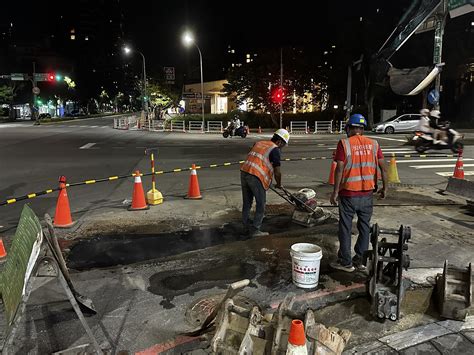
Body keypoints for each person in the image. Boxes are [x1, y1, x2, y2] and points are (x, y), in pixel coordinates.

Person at [330, 114, 388, 272]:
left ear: (348, 128)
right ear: (361, 129)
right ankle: (360, 261)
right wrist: (385, 187)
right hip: (367, 194)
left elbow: (340, 168)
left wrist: (335, 192)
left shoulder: (344, 143)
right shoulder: (374, 144)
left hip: (348, 194)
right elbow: (383, 167)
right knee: (364, 227)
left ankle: (345, 262)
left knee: (345, 227)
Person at [240, 129, 290, 237]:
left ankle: (244, 226)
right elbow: (277, 172)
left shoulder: (259, 143)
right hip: (255, 176)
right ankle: (255, 230)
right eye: (283, 145)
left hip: (244, 172)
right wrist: (279, 184)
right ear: (280, 142)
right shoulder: (275, 149)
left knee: (247, 202)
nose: (282, 148)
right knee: (261, 204)